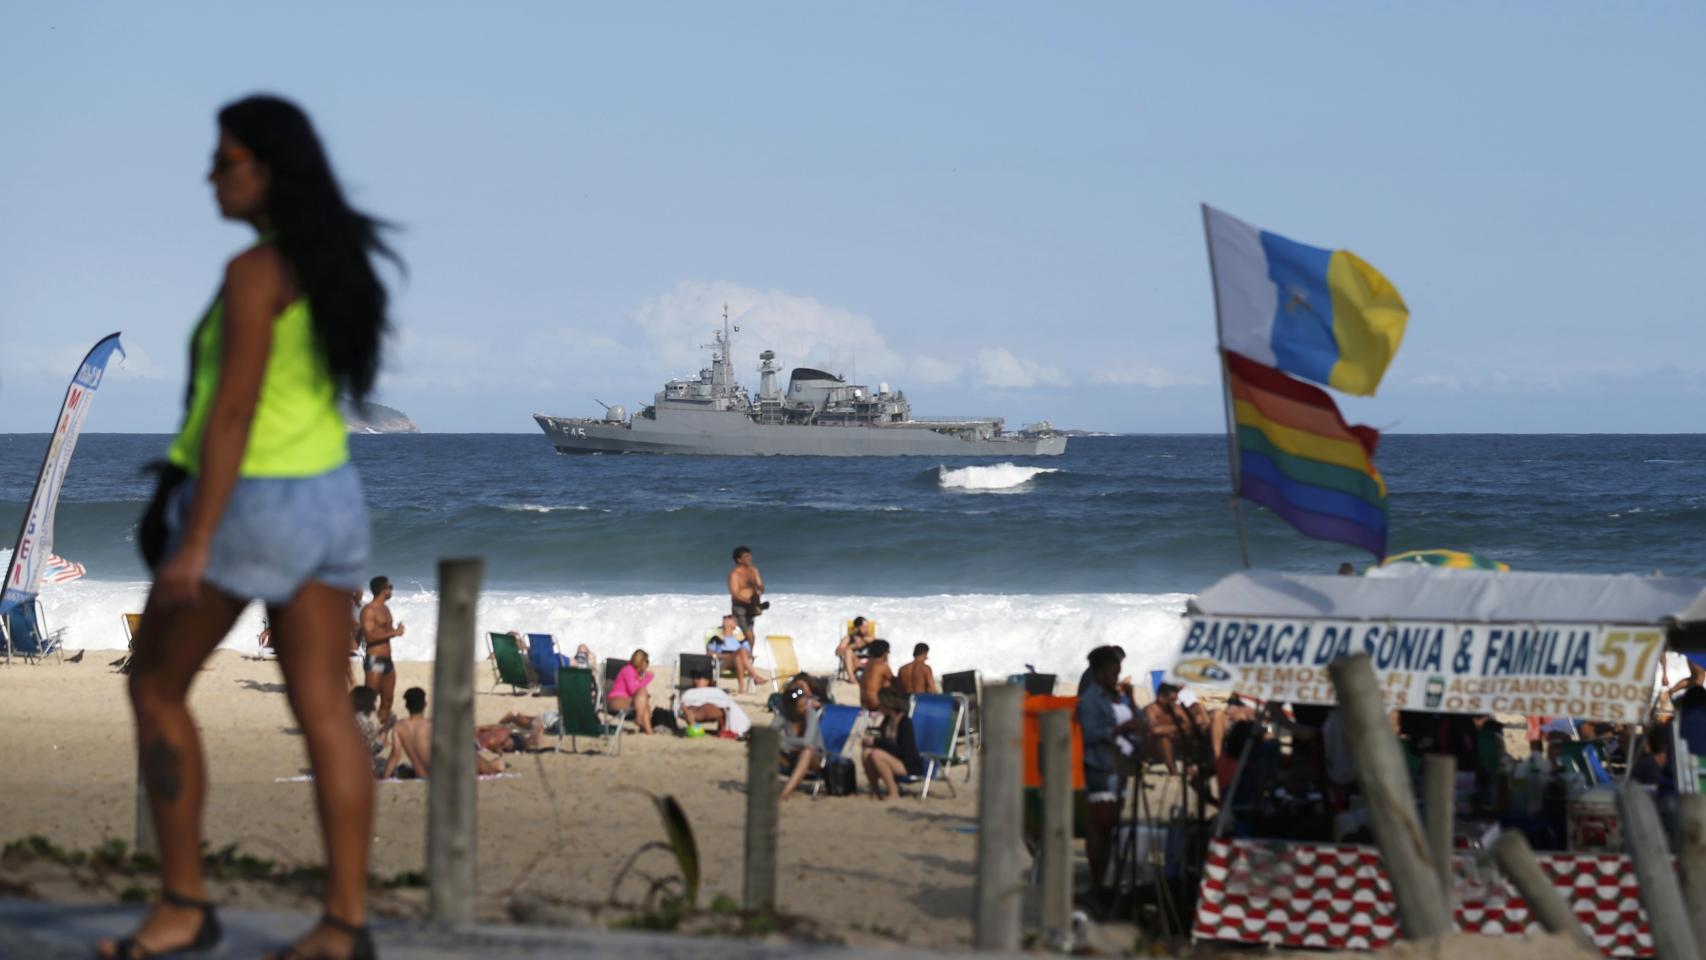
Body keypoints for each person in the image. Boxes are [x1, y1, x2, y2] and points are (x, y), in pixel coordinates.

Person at [106, 95, 396, 960]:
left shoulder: (255, 272)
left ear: (270, 170)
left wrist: (196, 542)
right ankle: (344, 923)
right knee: (325, 712)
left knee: (154, 687)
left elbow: (231, 411)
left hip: (252, 503)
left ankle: (184, 904)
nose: (210, 173)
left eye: (225, 160)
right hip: (331, 499)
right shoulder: (335, 268)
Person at [1078, 646, 1140, 907]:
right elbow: (1090, 734)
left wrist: (1132, 699)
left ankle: (1106, 882)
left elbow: (1139, 719)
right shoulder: (1091, 699)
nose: (1117, 676)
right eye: (1114, 672)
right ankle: (1096, 884)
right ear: (1101, 671)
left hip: (1120, 767)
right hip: (1102, 767)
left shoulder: (1114, 696)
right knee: (1100, 826)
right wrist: (1119, 729)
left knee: (1111, 825)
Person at [862, 688, 925, 800]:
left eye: (880, 703)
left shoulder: (905, 723)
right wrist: (871, 742)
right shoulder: (887, 721)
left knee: (876, 754)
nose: (879, 706)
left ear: (888, 705)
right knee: (867, 753)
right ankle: (875, 791)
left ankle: (893, 792)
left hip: (908, 764)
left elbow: (903, 750)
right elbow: (883, 742)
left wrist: (876, 742)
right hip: (893, 760)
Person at [360, 576, 405, 724]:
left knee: (387, 700)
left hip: (387, 660)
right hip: (375, 660)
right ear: (383, 590)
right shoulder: (369, 610)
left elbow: (385, 631)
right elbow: (370, 636)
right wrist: (394, 633)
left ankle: (381, 735)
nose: (392, 590)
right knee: (368, 701)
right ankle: (360, 734)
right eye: (390, 587)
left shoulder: (385, 609)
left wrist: (396, 630)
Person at [775, 683, 824, 800]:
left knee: (807, 751)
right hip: (791, 756)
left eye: (806, 703)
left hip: (815, 758)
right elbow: (769, 737)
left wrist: (783, 742)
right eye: (801, 706)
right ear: (792, 709)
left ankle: (784, 794)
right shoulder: (784, 715)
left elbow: (808, 741)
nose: (805, 707)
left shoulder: (810, 713)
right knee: (765, 747)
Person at [678, 669, 752, 738]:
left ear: (708, 681)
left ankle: (721, 729)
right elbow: (684, 701)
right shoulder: (690, 692)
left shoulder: (715, 690)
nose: (695, 681)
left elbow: (726, 703)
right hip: (694, 711)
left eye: (699, 678)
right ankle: (692, 720)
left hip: (708, 711)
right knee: (690, 709)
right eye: (694, 678)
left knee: (725, 706)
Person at [707, 613, 768, 693]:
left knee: (738, 656)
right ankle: (755, 676)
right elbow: (709, 654)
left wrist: (736, 654)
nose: (725, 618)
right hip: (724, 663)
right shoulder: (716, 639)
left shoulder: (740, 639)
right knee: (740, 652)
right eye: (724, 617)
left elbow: (749, 654)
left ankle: (742, 688)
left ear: (735, 624)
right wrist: (727, 656)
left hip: (741, 662)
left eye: (729, 617)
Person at [383, 687, 431, 779]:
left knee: (403, 768)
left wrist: (385, 779)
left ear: (406, 706)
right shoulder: (431, 724)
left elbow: (395, 756)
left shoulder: (399, 727)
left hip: (420, 777)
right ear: (425, 704)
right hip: (440, 778)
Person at [609, 649, 657, 735]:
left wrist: (645, 677)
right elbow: (633, 690)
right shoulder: (628, 670)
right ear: (640, 661)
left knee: (645, 702)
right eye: (646, 661)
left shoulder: (636, 673)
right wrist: (647, 677)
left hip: (626, 700)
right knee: (643, 691)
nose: (647, 664)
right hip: (615, 700)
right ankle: (638, 719)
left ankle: (649, 731)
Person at [727, 545, 766, 647]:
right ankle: (747, 658)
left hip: (752, 607)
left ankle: (742, 657)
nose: (750, 558)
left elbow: (760, 585)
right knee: (750, 636)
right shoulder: (735, 574)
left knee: (747, 635)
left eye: (750, 556)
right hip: (740, 608)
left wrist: (759, 591)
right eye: (746, 556)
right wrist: (748, 601)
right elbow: (734, 593)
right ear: (739, 560)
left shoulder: (753, 570)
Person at [351, 686, 390, 779]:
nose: (375, 705)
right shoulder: (365, 721)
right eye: (374, 701)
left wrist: (376, 730)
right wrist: (386, 730)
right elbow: (375, 748)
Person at [858, 640, 895, 712]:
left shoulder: (869, 664)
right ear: (884, 652)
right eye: (888, 651)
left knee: (886, 683)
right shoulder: (882, 666)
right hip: (876, 705)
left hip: (864, 704)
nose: (889, 653)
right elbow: (896, 683)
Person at [835, 616, 875, 682]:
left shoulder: (871, 638)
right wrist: (853, 646)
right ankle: (852, 678)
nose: (866, 629)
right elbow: (837, 652)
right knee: (848, 651)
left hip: (869, 666)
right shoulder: (848, 638)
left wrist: (874, 642)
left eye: (867, 627)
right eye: (863, 627)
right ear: (856, 628)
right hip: (855, 665)